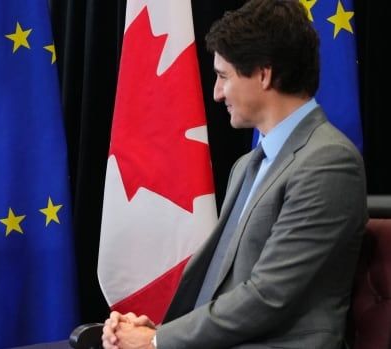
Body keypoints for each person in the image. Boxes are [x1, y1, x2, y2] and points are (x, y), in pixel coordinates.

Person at [102, 0, 367, 347]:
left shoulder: (329, 162)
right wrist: (155, 332)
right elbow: (221, 284)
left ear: (263, 73)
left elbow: (268, 296)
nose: (216, 93)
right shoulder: (247, 165)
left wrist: (156, 342)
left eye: (223, 76)